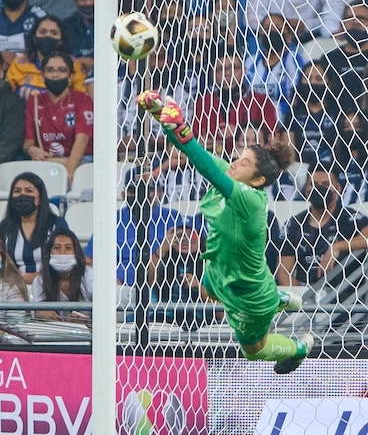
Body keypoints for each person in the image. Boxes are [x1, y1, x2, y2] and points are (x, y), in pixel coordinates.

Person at [140, 89, 315, 372]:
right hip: (218, 269)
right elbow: (193, 153)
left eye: (244, 163)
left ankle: (299, 346)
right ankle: (280, 298)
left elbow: (209, 168)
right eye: (238, 156)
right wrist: (160, 115)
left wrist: (181, 126)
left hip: (248, 293)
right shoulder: (230, 175)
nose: (235, 162)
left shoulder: (250, 199)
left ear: (258, 180)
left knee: (254, 352)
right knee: (207, 292)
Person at [279, 167, 368, 284]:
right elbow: (284, 273)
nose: (319, 188)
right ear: (306, 190)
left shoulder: (350, 218)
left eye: (326, 184)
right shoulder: (294, 224)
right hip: (305, 292)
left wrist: (337, 247)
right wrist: (300, 298)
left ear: (338, 189)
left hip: (345, 294)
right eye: (314, 184)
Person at [23, 52, 93, 185]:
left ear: (70, 76)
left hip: (81, 162)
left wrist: (68, 173)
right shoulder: (34, 101)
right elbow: (28, 141)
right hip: (47, 162)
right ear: (42, 75)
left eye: (62, 70)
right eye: (50, 70)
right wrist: (31, 150)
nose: (55, 75)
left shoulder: (82, 99)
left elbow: (82, 139)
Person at [192, 51, 278, 153]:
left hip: (250, 163)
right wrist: (201, 143)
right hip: (212, 162)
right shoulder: (203, 102)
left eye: (234, 68)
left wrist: (239, 134)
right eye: (221, 69)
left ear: (244, 71)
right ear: (212, 73)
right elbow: (194, 138)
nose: (228, 73)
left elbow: (273, 141)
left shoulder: (261, 101)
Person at [0, 171, 67, 282]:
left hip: (50, 284)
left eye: (29, 191)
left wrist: (33, 278)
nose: (22, 195)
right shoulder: (5, 227)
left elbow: (64, 260)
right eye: (17, 191)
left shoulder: (57, 225)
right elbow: (0, 261)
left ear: (40, 198)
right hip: (13, 286)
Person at [116, 175, 185, 286]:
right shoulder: (113, 219)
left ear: (158, 193)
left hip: (161, 285)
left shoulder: (172, 217)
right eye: (133, 190)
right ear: (124, 195)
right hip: (117, 288)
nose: (140, 195)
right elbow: (90, 259)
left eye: (146, 190)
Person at [6, 17, 87, 98]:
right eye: (42, 32)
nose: (48, 36)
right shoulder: (20, 62)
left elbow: (80, 98)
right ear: (34, 37)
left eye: (54, 33)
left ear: (61, 40)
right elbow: (6, 94)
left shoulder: (74, 64)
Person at [286, 61, 339, 169]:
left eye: (318, 79)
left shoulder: (337, 112)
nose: (312, 83)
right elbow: (289, 151)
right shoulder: (293, 114)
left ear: (328, 83)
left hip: (331, 170)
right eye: (307, 78)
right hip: (299, 170)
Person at [30, 228, 92, 321]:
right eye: (57, 248)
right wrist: (40, 312)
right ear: (49, 252)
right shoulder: (40, 281)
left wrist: (87, 323)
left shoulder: (90, 276)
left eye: (68, 248)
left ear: (76, 253)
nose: (62, 253)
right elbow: (38, 311)